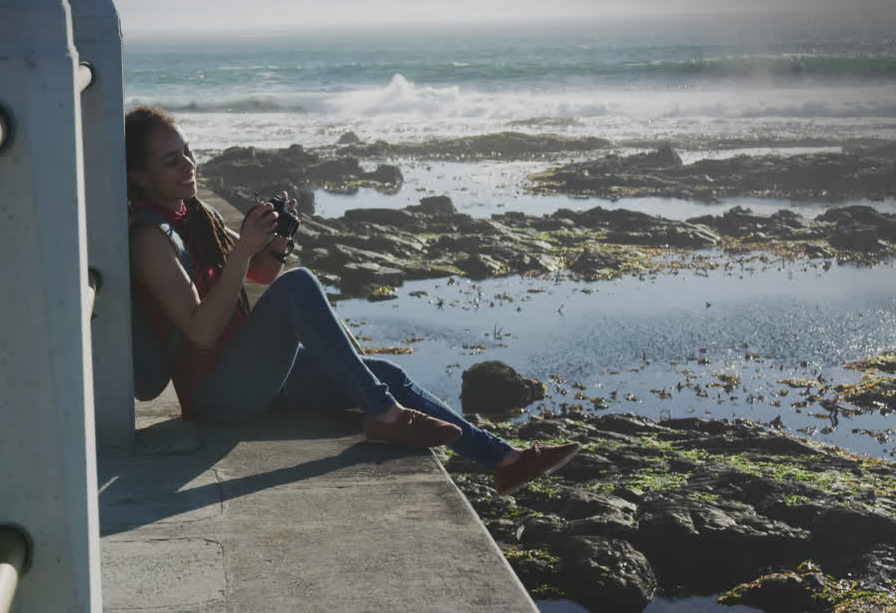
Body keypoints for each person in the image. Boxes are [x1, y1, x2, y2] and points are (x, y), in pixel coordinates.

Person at [125, 105, 578, 495]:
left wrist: (275, 240)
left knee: (385, 373)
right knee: (299, 287)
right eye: (171, 162)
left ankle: (505, 461)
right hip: (216, 395)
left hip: (250, 373)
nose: (188, 166)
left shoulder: (194, 213)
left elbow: (260, 272)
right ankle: (384, 415)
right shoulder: (150, 238)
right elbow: (201, 331)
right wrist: (244, 248)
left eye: (188, 152)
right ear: (138, 176)